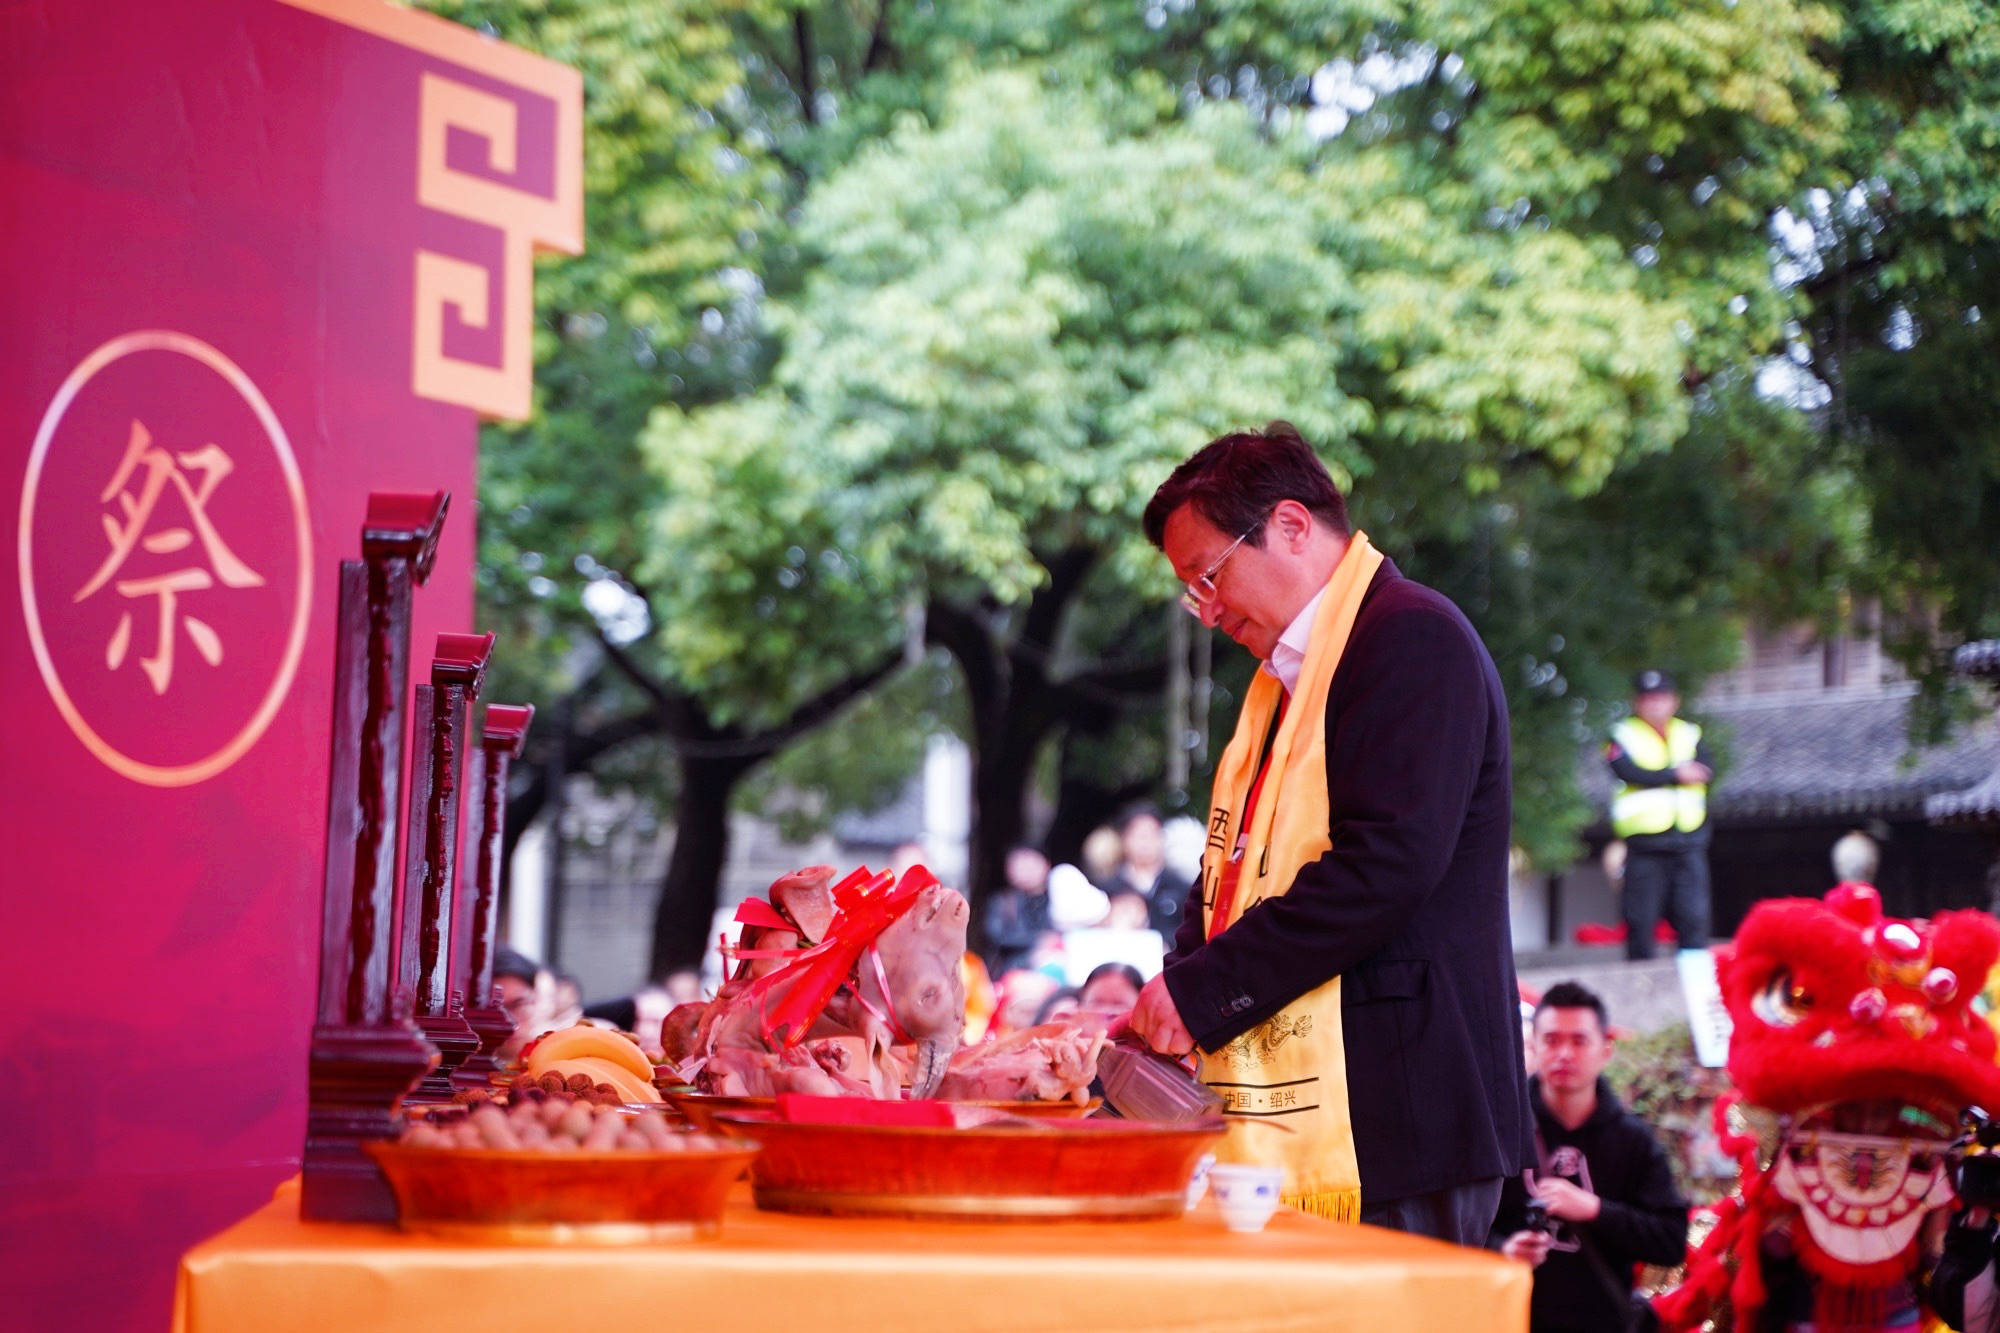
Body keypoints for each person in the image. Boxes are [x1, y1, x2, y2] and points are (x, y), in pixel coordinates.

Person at [1127, 420, 1532, 1242]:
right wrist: (1171, 995)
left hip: (1401, 1110)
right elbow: (1235, 871)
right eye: (1193, 591)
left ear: (1289, 525)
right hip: (1347, 1112)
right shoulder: (1286, 681)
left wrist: (1199, 994)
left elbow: (1384, 866)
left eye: (1210, 576)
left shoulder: (1409, 636)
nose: (1208, 612)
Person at [1493, 982, 1688, 1333]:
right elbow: (1461, 1225)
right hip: (1512, 1320)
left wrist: (1595, 1210)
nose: (1564, 1054)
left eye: (1579, 1041)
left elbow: (1671, 1242)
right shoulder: (1502, 1128)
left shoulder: (1633, 1140)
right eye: (1552, 1040)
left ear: (1605, 1051)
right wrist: (1502, 1250)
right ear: (1533, 1045)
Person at [1605, 669, 1714, 961]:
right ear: (1636, 702)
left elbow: (1706, 770)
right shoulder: (1622, 734)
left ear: (1674, 701)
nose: (1655, 704)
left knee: (1693, 916)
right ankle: (1639, 980)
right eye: (1648, 698)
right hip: (1645, 844)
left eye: (1661, 698)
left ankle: (1693, 978)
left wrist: (1666, 776)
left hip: (1687, 840)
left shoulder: (1690, 733)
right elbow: (1627, 771)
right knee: (1640, 918)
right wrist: (1675, 774)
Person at [1109, 805, 1195, 938]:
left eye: (1151, 834)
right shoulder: (1108, 889)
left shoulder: (1182, 888)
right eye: (1138, 835)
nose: (1145, 842)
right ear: (1124, 839)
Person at [983, 844, 1058, 976]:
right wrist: (1040, 940)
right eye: (1019, 865)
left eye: (1031, 865)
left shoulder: (1058, 897)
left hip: (1054, 968)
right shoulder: (1003, 902)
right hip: (1013, 971)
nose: (1026, 872)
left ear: (1046, 865)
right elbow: (996, 935)